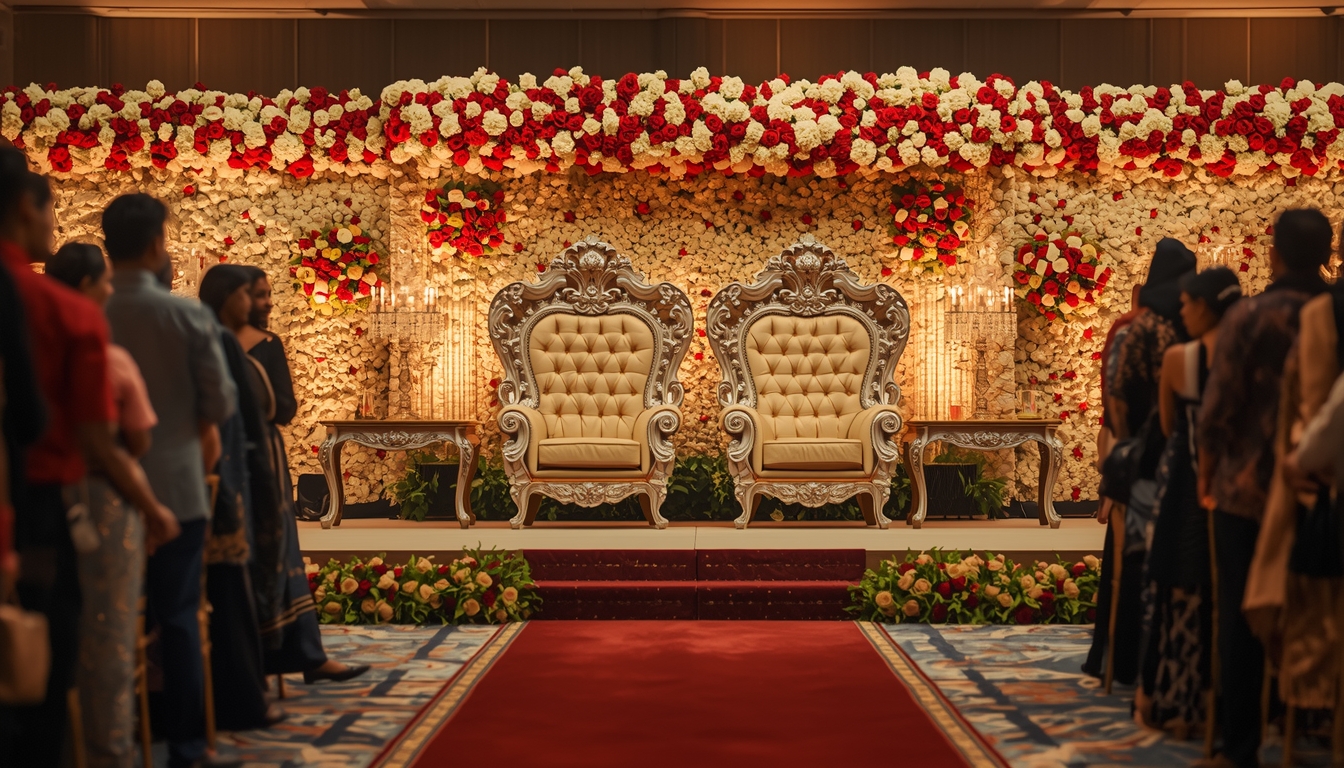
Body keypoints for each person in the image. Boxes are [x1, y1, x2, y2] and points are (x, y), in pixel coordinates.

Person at [0, 151, 177, 765]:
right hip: (43, 508)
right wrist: (150, 506)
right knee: (66, 662)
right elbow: (99, 439)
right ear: (27, 206)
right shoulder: (63, 313)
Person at [1197, 208, 1334, 768]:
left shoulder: (1252, 315)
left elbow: (1218, 409)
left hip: (1247, 489)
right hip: (1321, 488)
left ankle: (1241, 744)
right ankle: (1309, 722)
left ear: (1273, 253)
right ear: (1327, 256)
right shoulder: (1334, 313)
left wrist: (1207, 478)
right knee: (1318, 609)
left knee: (1242, 612)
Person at [103, 193, 236, 768]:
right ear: (159, 244)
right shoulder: (187, 315)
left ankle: (114, 732)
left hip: (107, 485)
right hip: (180, 485)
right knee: (179, 614)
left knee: (112, 612)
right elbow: (221, 401)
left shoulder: (89, 313)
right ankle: (185, 743)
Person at [46, 242, 160, 768]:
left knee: (52, 630)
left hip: (38, 497)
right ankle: (107, 751)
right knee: (110, 630)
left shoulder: (32, 343)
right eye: (105, 283)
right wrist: (151, 507)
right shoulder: (99, 351)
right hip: (100, 498)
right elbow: (129, 443)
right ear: (91, 287)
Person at [233, 266, 367, 684]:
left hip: (224, 453)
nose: (268, 302)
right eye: (259, 295)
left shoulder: (204, 341)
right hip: (252, 457)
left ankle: (264, 655)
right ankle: (298, 653)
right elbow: (284, 408)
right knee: (274, 550)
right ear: (232, 297)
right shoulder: (261, 345)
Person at [1138, 267, 1242, 735]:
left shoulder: (1181, 358)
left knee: (1180, 589)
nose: (1180, 311)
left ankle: (1179, 700)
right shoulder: (1250, 355)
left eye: (1185, 304)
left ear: (1204, 306)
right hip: (1237, 485)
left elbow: (1165, 427)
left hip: (1185, 484)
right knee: (1229, 593)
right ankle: (1232, 702)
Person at [1088, 238, 1196, 686]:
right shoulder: (1177, 328)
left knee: (1131, 561)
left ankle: (1121, 659)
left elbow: (1114, 399)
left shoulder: (1138, 326)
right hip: (1168, 459)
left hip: (1140, 460)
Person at [196, 265, 281, 731]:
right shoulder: (211, 336)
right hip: (225, 474)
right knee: (232, 585)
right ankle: (243, 696)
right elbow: (239, 418)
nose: (256, 303)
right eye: (251, 294)